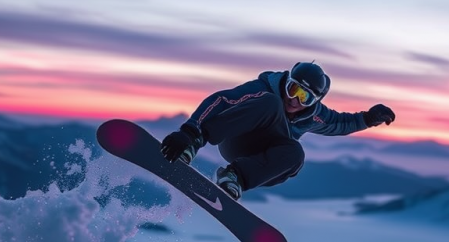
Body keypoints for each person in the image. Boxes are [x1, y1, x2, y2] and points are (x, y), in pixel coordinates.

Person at [160, 62, 396, 200]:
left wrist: (368, 119)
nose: (294, 100)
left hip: (257, 159)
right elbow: (223, 99)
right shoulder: (264, 89)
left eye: (304, 97)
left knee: (296, 154)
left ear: (314, 101)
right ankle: (193, 145)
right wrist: (190, 131)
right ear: (287, 81)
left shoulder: (314, 115)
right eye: (293, 89)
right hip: (235, 138)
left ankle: (235, 178)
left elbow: (340, 123)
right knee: (270, 103)